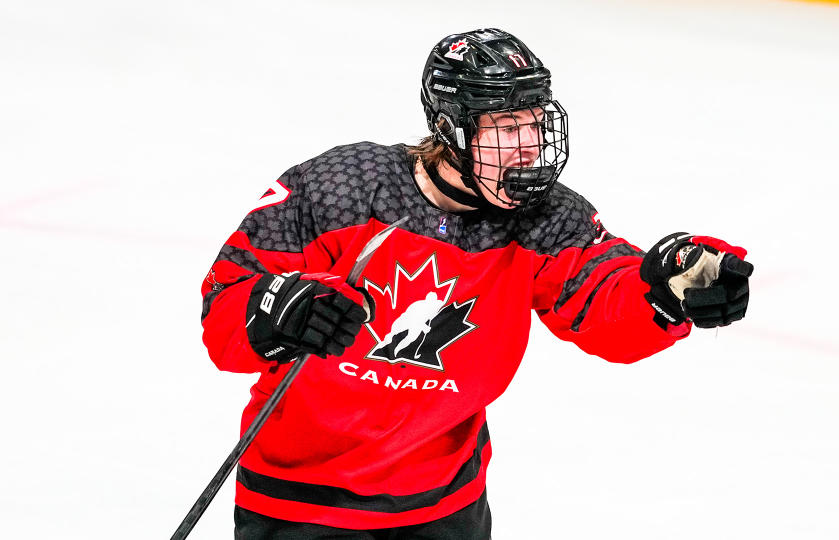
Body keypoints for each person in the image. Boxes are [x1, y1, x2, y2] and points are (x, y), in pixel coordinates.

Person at [200, 28, 753, 540]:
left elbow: (602, 293)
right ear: (451, 127)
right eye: (507, 128)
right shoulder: (341, 186)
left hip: (444, 503)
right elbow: (227, 302)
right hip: (298, 500)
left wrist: (664, 290)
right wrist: (274, 312)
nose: (529, 145)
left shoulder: (544, 217)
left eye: (535, 122)